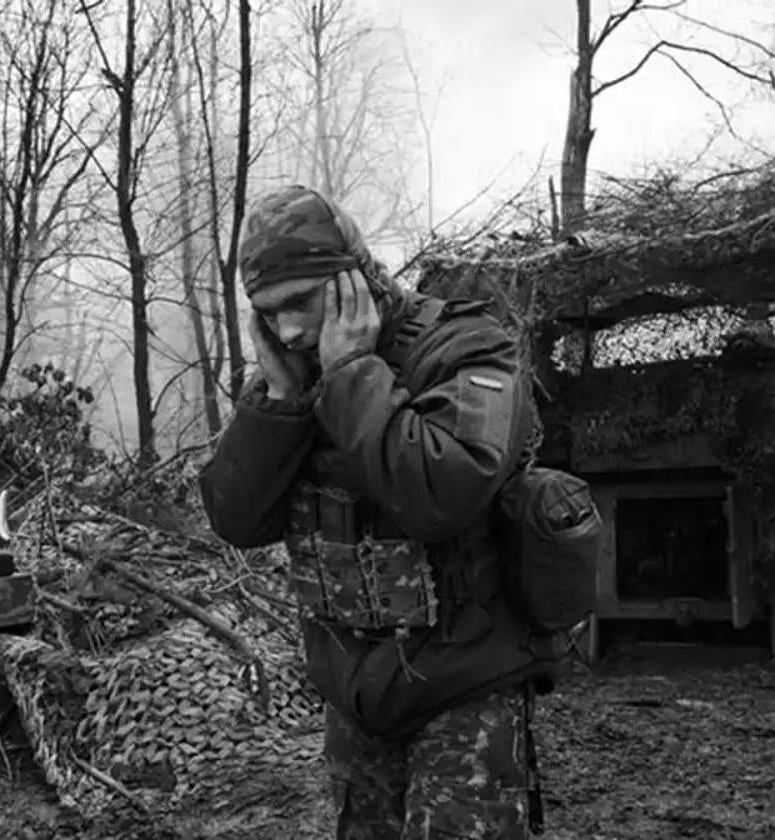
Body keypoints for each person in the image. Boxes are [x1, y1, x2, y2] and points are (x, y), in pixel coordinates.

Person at [199, 185, 560, 839]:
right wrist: (279, 401)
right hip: (357, 695)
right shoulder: (294, 373)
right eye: (268, 313)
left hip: (463, 686)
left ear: (353, 277)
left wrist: (353, 374)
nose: (287, 330)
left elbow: (444, 493)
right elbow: (235, 519)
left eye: (301, 304)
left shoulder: (465, 349)